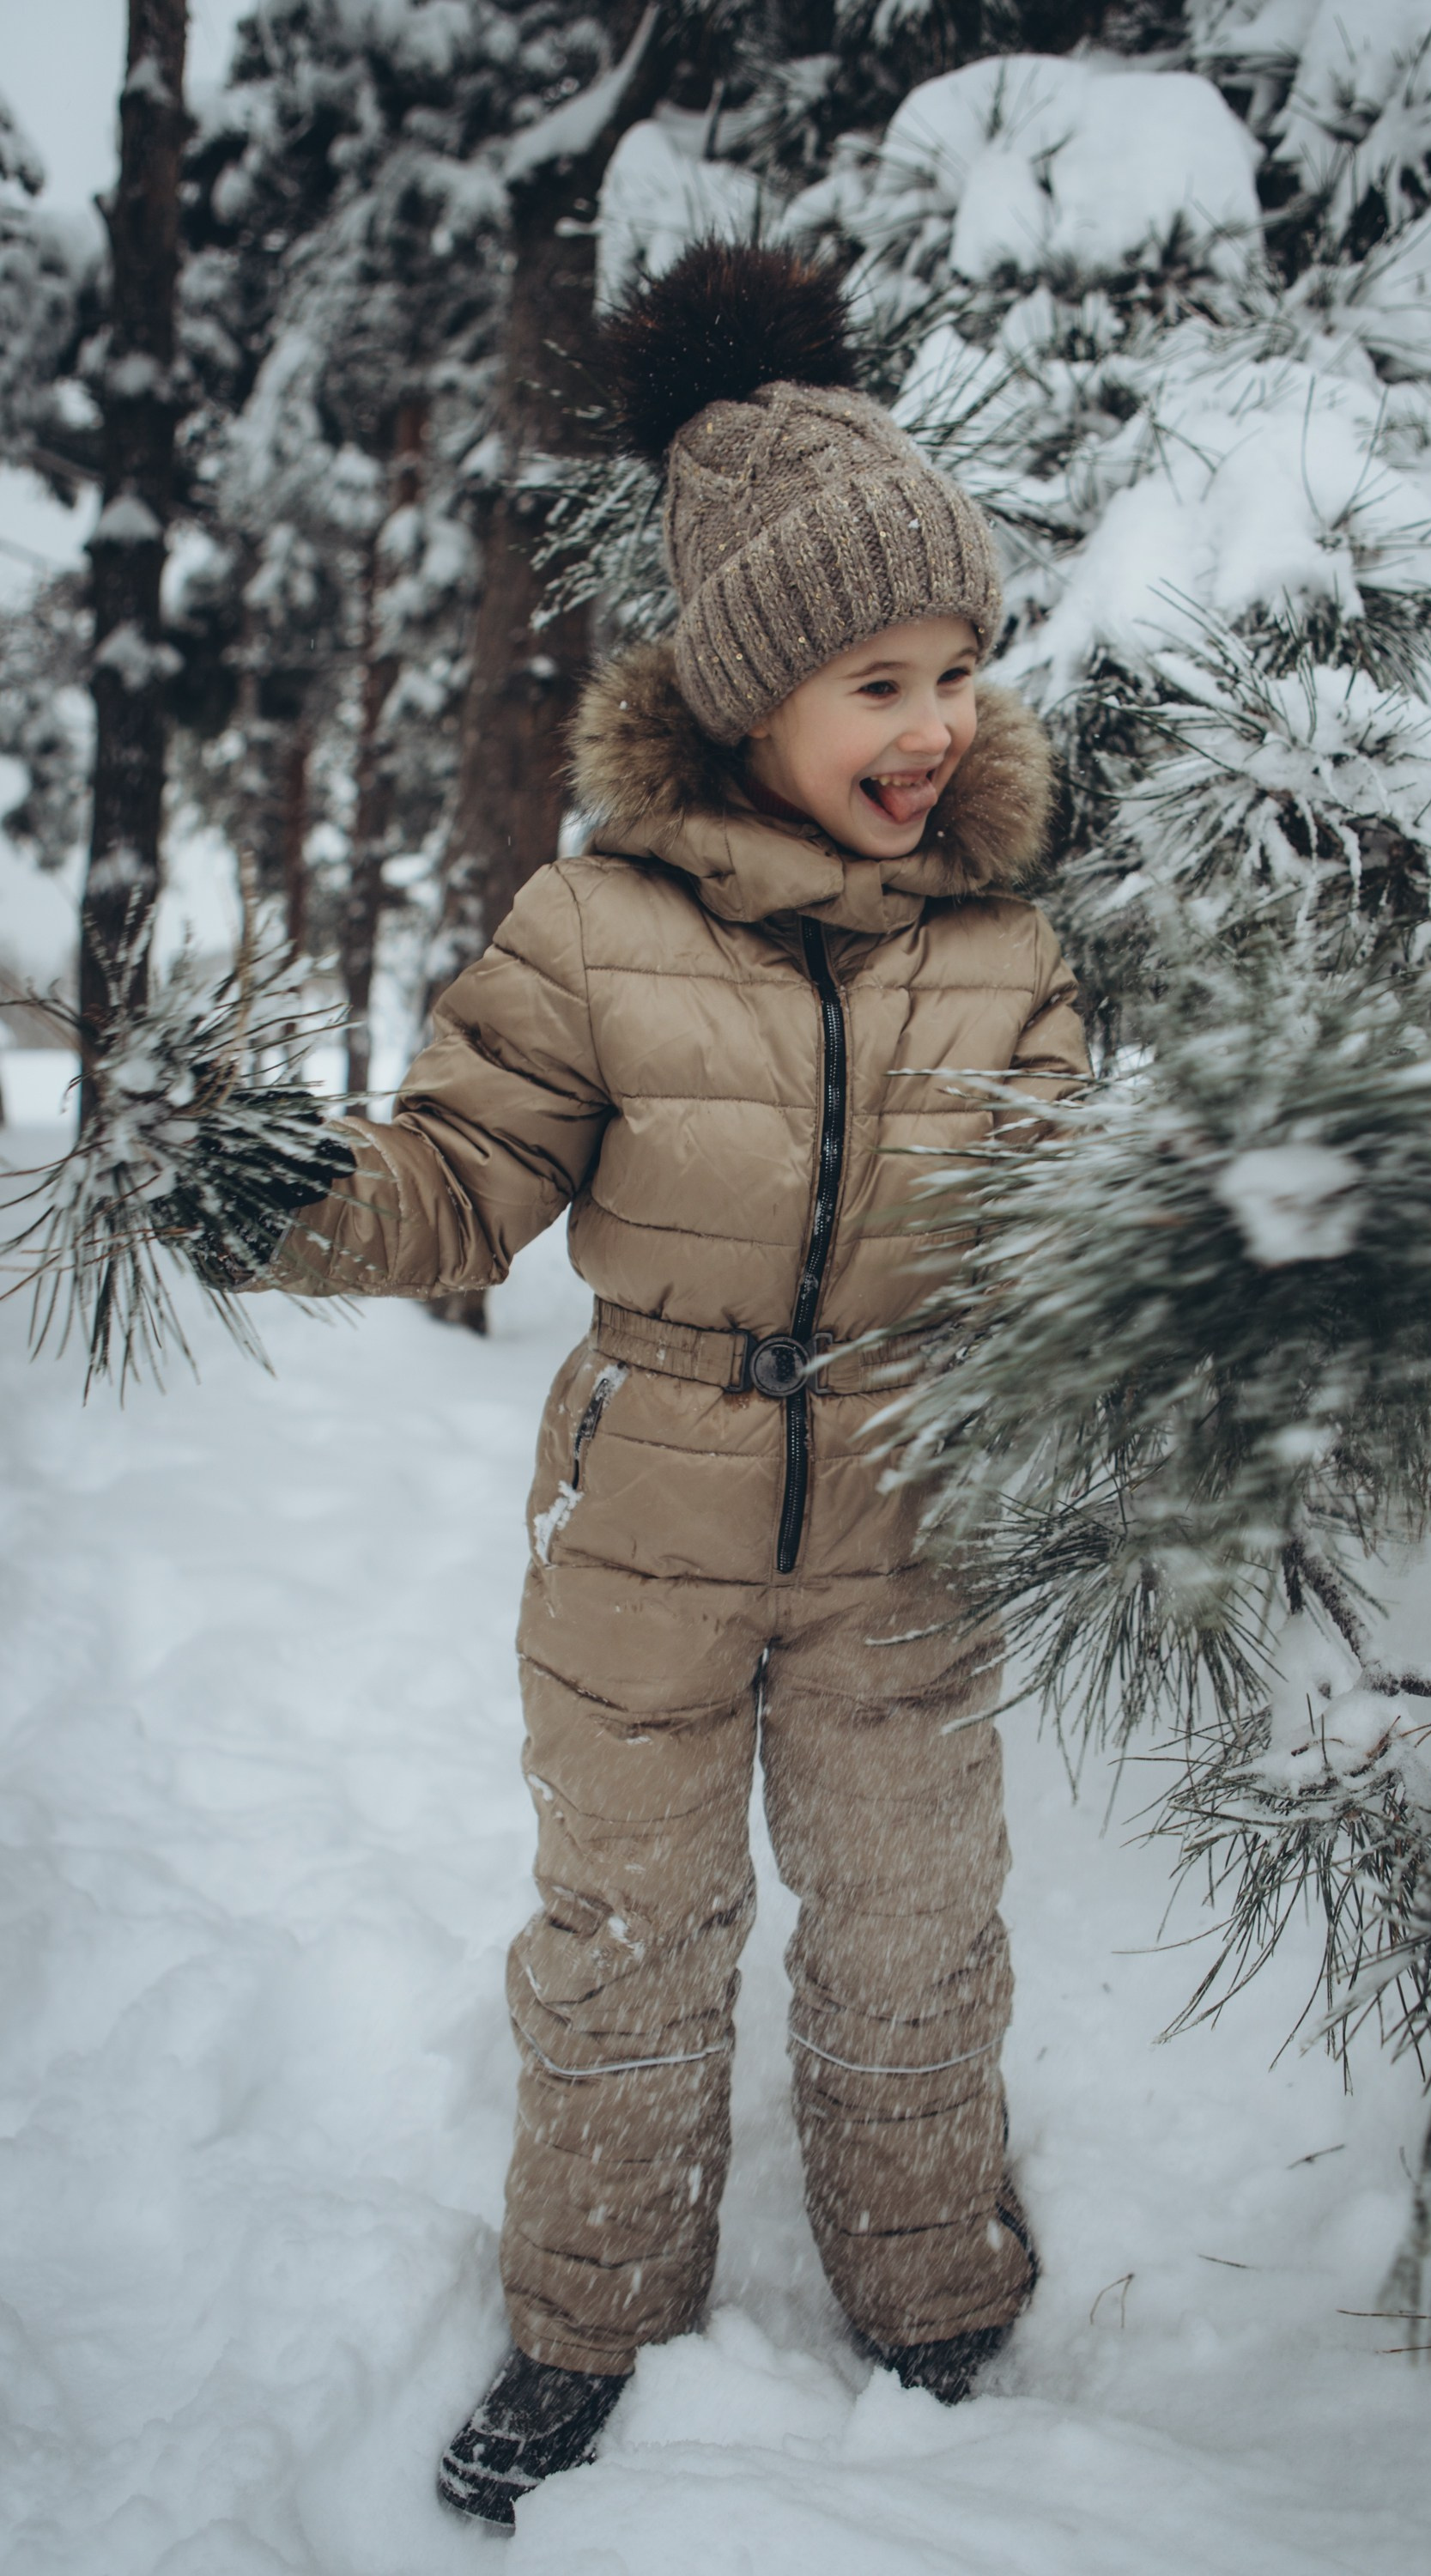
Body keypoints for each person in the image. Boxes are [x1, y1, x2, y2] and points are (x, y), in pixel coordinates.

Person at [253, 240, 1088, 2533]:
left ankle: (933, 2295)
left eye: (954, 670)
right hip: (645, 1516)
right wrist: (275, 1189)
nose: (932, 724)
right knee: (631, 1928)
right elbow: (453, 1186)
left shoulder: (1008, 949)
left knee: (919, 1918)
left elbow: (1066, 1241)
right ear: (743, 698)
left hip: (910, 1515)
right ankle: (585, 2321)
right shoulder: (596, 928)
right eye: (872, 678)